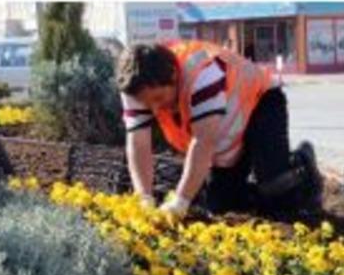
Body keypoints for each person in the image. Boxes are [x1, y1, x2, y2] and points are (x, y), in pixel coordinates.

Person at [116, 40, 322, 219]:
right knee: (223, 205)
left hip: (261, 101)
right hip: (226, 125)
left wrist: (180, 201)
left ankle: (303, 163)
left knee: (277, 192)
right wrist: (143, 197)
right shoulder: (137, 87)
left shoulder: (202, 75)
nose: (154, 109)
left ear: (173, 76)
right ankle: (257, 183)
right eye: (146, 103)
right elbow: (138, 143)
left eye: (159, 99)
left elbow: (203, 142)